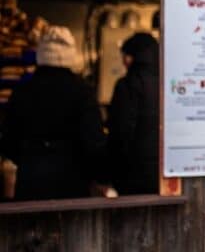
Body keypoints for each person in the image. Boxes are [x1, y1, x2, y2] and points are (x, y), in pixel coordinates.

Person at [0, 26, 108, 200]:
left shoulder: (22, 92)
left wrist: (32, 160)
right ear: (70, 55)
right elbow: (94, 143)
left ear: (40, 55)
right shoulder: (82, 92)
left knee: (32, 228)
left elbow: (8, 142)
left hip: (30, 183)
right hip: (72, 184)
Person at [107, 32, 160, 195]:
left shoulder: (127, 85)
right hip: (162, 174)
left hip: (132, 174)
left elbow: (120, 131)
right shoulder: (168, 83)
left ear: (130, 57)